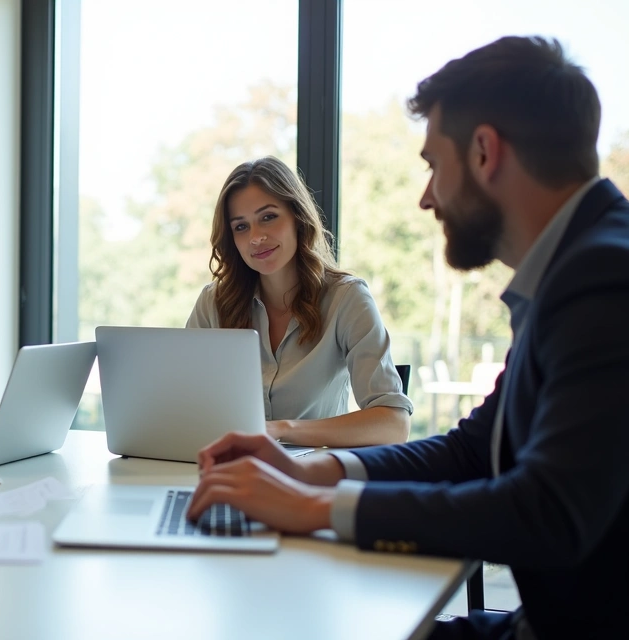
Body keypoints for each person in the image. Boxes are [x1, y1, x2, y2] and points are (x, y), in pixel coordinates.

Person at [188, 36, 629, 639]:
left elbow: (545, 511)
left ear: (483, 152)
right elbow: (472, 451)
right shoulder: (574, 271)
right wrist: (314, 474)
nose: (426, 197)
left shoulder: (605, 280)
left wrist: (317, 508)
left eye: (431, 165)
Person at [187, 156, 412, 447]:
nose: (256, 237)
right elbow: (184, 404)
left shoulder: (347, 299)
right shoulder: (213, 303)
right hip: (232, 472)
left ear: (298, 217)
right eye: (241, 227)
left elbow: (393, 425)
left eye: (268, 217)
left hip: (314, 478)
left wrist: (283, 429)